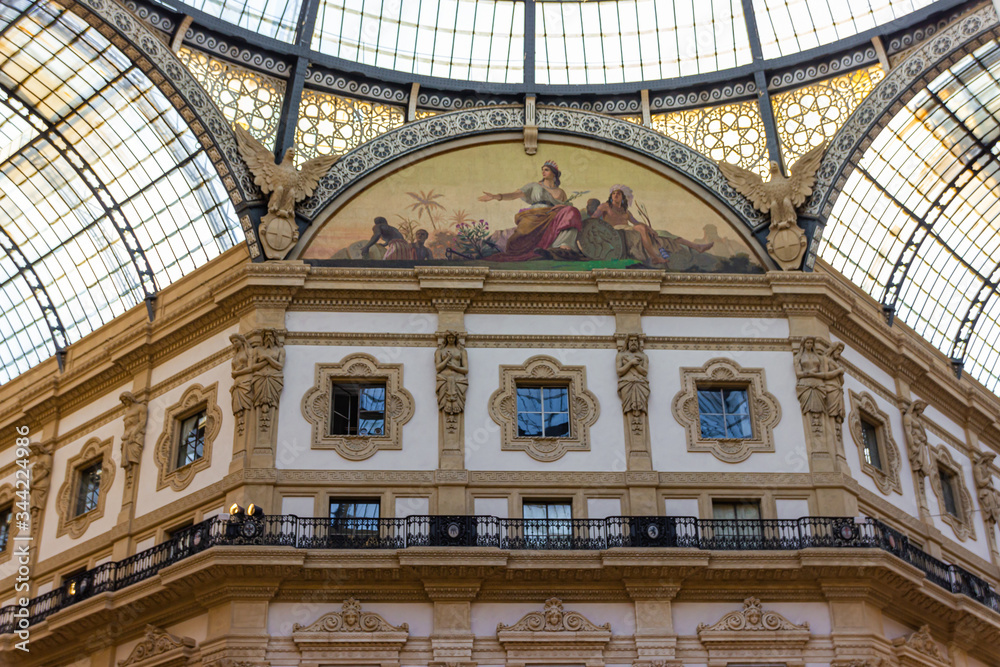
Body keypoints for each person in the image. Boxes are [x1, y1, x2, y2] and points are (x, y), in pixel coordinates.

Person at [478, 161, 583, 261]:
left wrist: (560, 206)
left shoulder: (560, 192)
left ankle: (563, 245)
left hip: (555, 216)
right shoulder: (534, 186)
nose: (543, 172)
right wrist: (496, 196)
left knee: (572, 211)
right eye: (542, 169)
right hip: (536, 215)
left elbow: (566, 207)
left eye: (546, 170)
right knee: (519, 237)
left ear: (554, 173)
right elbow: (515, 194)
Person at [593, 185, 712, 263]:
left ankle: (697, 246)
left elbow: (635, 222)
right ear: (611, 196)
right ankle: (655, 257)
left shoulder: (626, 211)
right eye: (613, 193)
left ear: (623, 197)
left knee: (662, 234)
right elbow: (593, 218)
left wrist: (650, 229)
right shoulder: (605, 206)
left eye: (618, 193)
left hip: (630, 228)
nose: (616, 195)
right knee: (641, 228)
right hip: (617, 231)